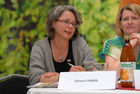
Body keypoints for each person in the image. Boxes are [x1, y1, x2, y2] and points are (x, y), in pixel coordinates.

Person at [29, 5, 97, 85]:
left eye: (73, 24)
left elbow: (95, 72)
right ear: (53, 23)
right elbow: (35, 78)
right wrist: (65, 77)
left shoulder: (81, 45)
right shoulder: (40, 47)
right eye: (65, 22)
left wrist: (84, 73)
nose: (70, 26)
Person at [100, 4, 140, 79]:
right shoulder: (111, 44)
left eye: (134, 18)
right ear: (120, 24)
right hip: (121, 89)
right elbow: (112, 77)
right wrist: (129, 45)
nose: (130, 22)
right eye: (125, 19)